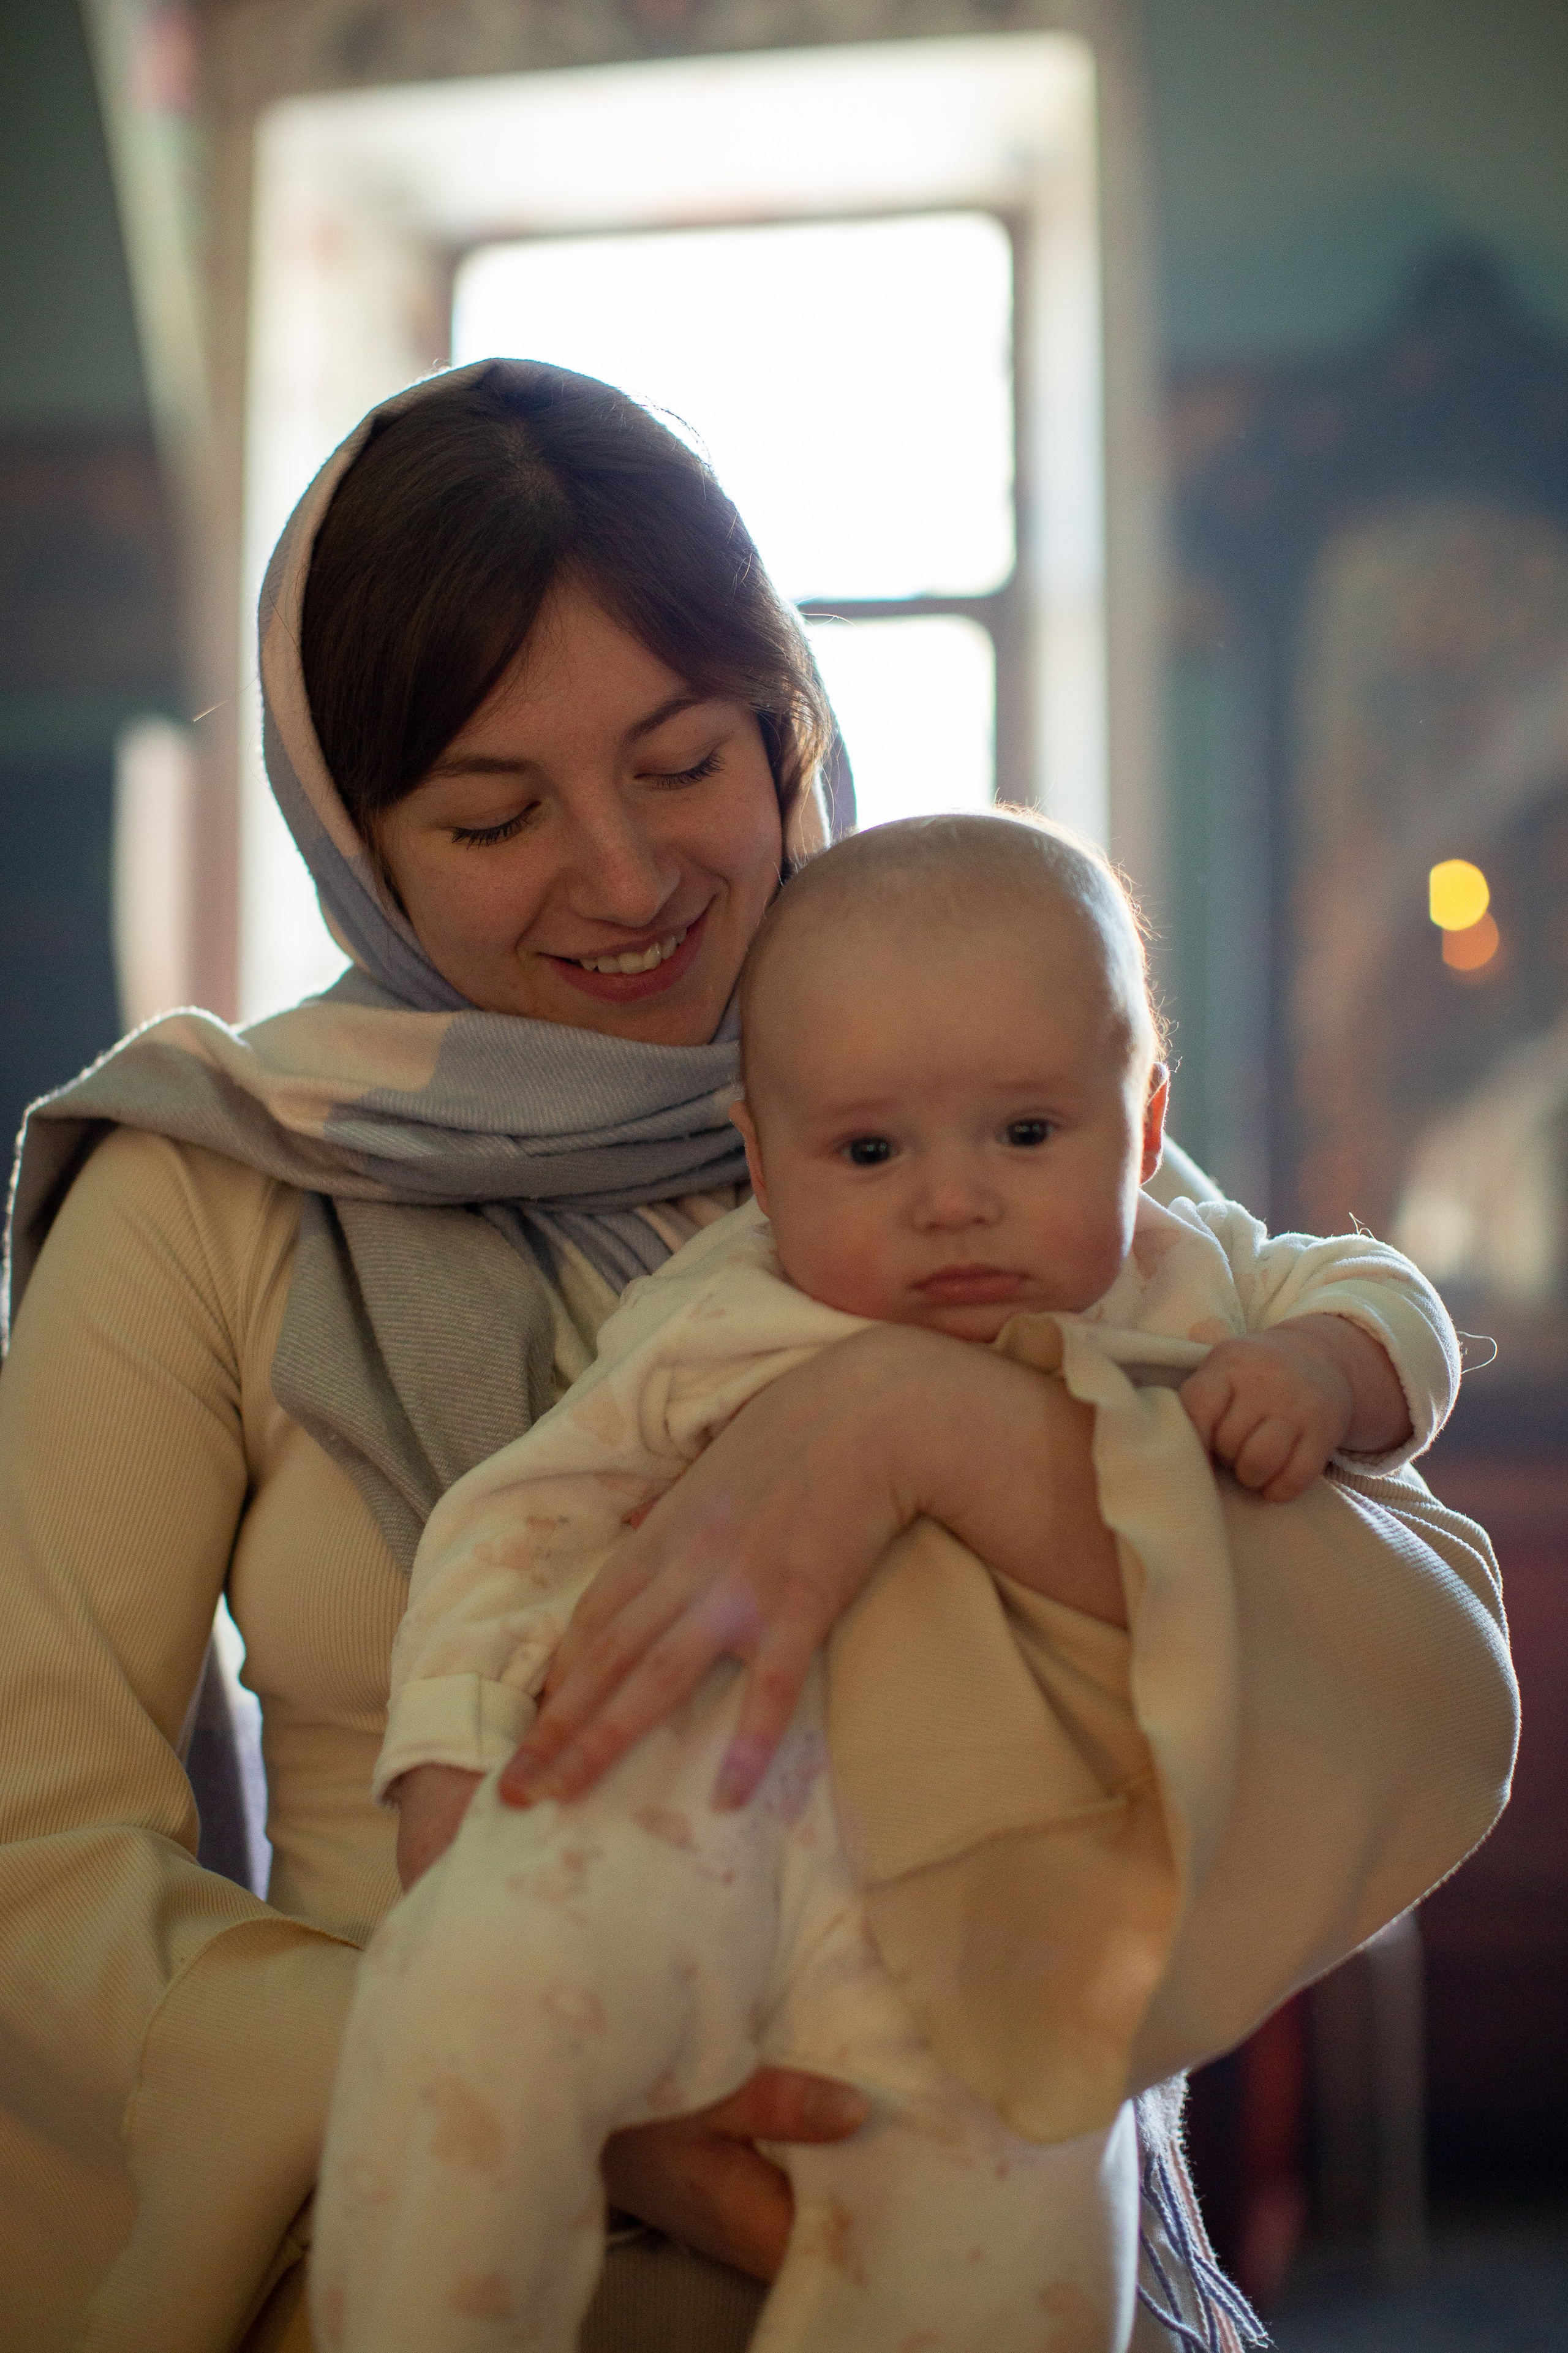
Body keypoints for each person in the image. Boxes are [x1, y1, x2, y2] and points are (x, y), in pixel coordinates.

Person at [0, 361, 1515, 2353]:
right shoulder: (217, 1191)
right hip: (462, 2202)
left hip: (1003, 2176)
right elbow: (40, 1860)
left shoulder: (967, 1099)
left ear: (785, 722)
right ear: (354, 835)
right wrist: (571, 2090)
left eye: (682, 761)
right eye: (492, 810)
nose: (624, 878)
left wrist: (915, 1424)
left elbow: (1396, 1658)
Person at [311, 812, 1461, 2353]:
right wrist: (453, 1763)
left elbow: (1385, 1295)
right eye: (867, 1150)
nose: (949, 1199)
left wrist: (1325, 1369)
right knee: (470, 2004)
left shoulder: (1191, 1273)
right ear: (763, 1162)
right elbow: (520, 1516)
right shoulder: (713, 1311)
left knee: (1002, 2227)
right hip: (688, 1812)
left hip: (1004, 1902)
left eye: (1025, 1135)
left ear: (1138, 1132)